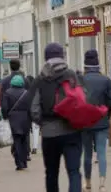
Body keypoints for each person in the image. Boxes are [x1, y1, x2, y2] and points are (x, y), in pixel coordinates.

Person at [30, 42, 82, 192]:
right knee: (74, 172)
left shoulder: (40, 79)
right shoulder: (72, 75)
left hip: (49, 132)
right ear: (62, 56)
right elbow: (82, 99)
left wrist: (43, 123)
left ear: (46, 57)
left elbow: (34, 109)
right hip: (71, 130)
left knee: (51, 173)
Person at [81, 49, 111, 192]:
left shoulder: (79, 80)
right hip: (101, 121)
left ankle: (87, 183)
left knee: (87, 153)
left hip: (84, 122)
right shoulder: (106, 80)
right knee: (101, 152)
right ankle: (102, 184)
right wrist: (107, 111)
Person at [1, 75, 30, 171]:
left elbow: (4, 107)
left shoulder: (7, 93)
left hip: (13, 118)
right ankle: (25, 161)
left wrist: (5, 117)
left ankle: (19, 162)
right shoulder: (26, 93)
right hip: (25, 118)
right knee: (24, 140)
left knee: (16, 140)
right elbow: (30, 107)